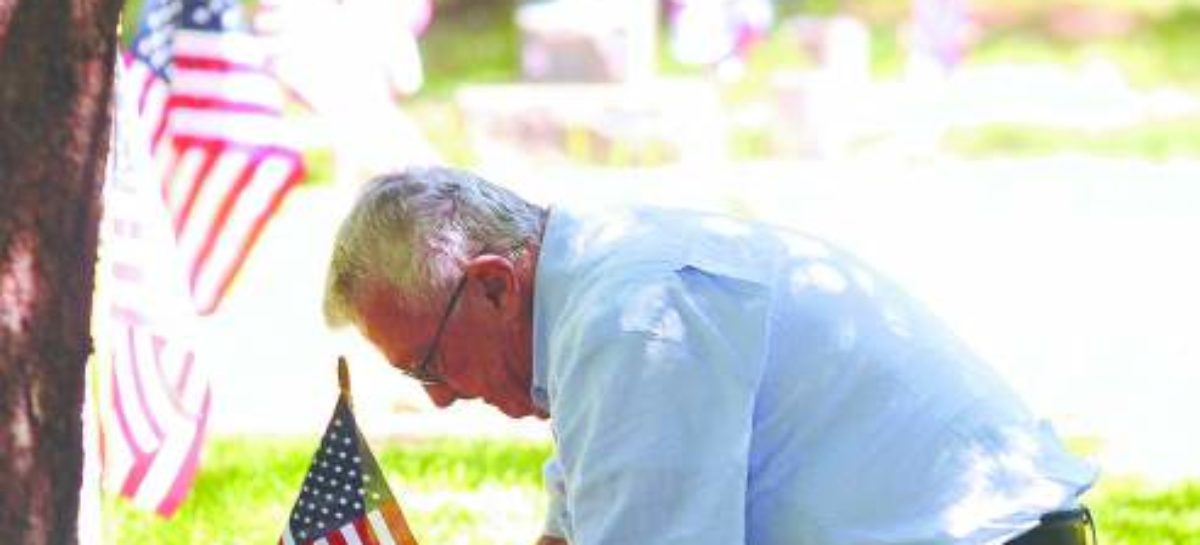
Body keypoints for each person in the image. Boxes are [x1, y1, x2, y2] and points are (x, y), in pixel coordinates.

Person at [322, 166, 1099, 545]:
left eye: (428, 363)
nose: (439, 400)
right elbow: (577, 524)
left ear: (492, 287)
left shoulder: (632, 318)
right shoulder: (589, 294)